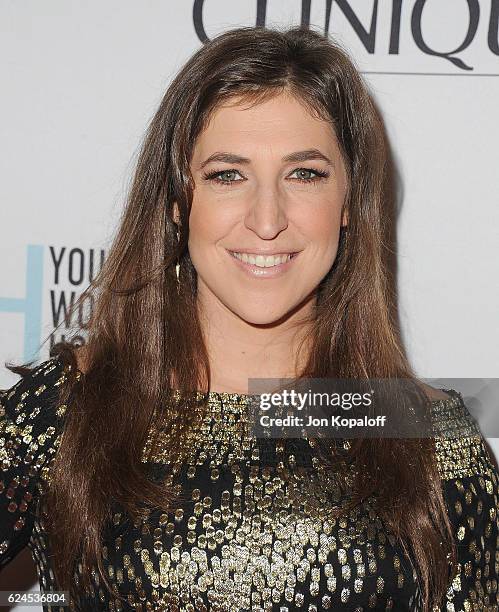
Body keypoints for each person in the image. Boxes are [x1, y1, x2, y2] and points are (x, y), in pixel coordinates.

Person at [1, 25, 498, 612]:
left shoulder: (425, 432)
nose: (267, 219)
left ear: (350, 204)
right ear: (179, 202)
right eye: (227, 175)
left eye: (304, 174)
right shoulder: (69, 408)